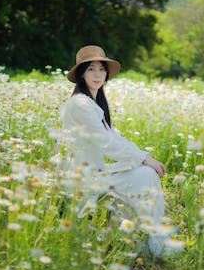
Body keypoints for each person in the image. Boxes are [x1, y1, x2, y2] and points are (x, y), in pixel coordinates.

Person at [59, 45, 176, 257]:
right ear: (81, 74)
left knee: (143, 174)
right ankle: (154, 244)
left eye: (101, 69)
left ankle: (131, 240)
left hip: (93, 172)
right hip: (80, 179)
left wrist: (144, 157)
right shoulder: (79, 104)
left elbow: (115, 137)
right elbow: (106, 143)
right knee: (145, 176)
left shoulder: (93, 103)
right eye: (91, 69)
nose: (97, 74)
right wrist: (144, 159)